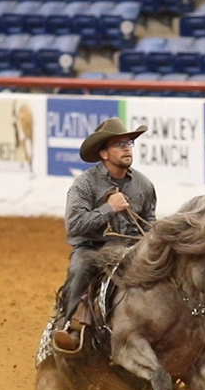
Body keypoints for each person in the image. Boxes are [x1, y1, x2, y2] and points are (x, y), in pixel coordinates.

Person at [54, 118, 155, 352]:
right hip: (93, 247)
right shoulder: (85, 184)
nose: (127, 148)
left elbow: (149, 221)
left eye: (129, 143)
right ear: (104, 154)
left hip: (132, 249)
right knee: (80, 269)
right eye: (120, 144)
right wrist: (109, 208)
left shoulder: (143, 185)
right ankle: (69, 325)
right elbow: (74, 226)